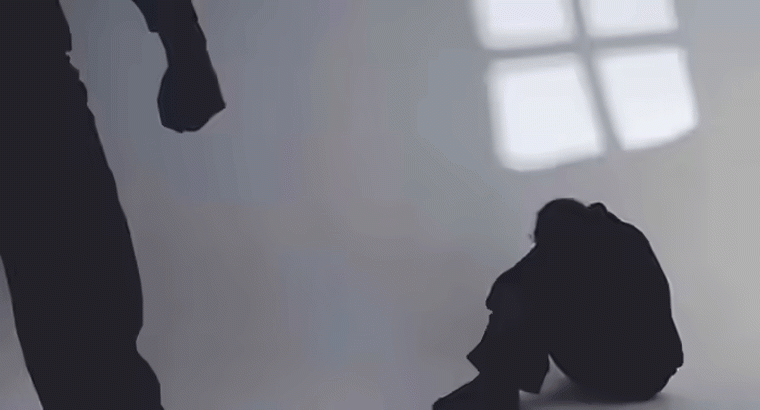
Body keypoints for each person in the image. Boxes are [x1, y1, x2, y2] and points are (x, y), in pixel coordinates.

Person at [0, 1, 225, 408]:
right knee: (87, 352)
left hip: (26, 90)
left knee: (88, 355)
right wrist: (183, 40)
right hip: (27, 92)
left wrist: (183, 39)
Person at [433, 199, 684, 410]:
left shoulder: (562, 255)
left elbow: (506, 288)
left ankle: (498, 389)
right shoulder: (626, 238)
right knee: (534, 289)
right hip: (656, 374)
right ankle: (497, 384)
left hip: (625, 379)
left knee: (525, 294)